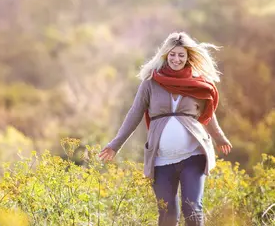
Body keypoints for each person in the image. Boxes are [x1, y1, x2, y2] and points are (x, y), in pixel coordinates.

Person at [99, 32, 232, 226]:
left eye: (181, 55)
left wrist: (219, 137)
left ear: (188, 57)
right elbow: (134, 114)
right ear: (165, 55)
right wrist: (115, 144)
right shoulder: (150, 84)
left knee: (192, 208)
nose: (176, 59)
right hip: (161, 160)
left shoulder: (198, 83)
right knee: (167, 214)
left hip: (193, 156)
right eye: (172, 54)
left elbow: (209, 114)